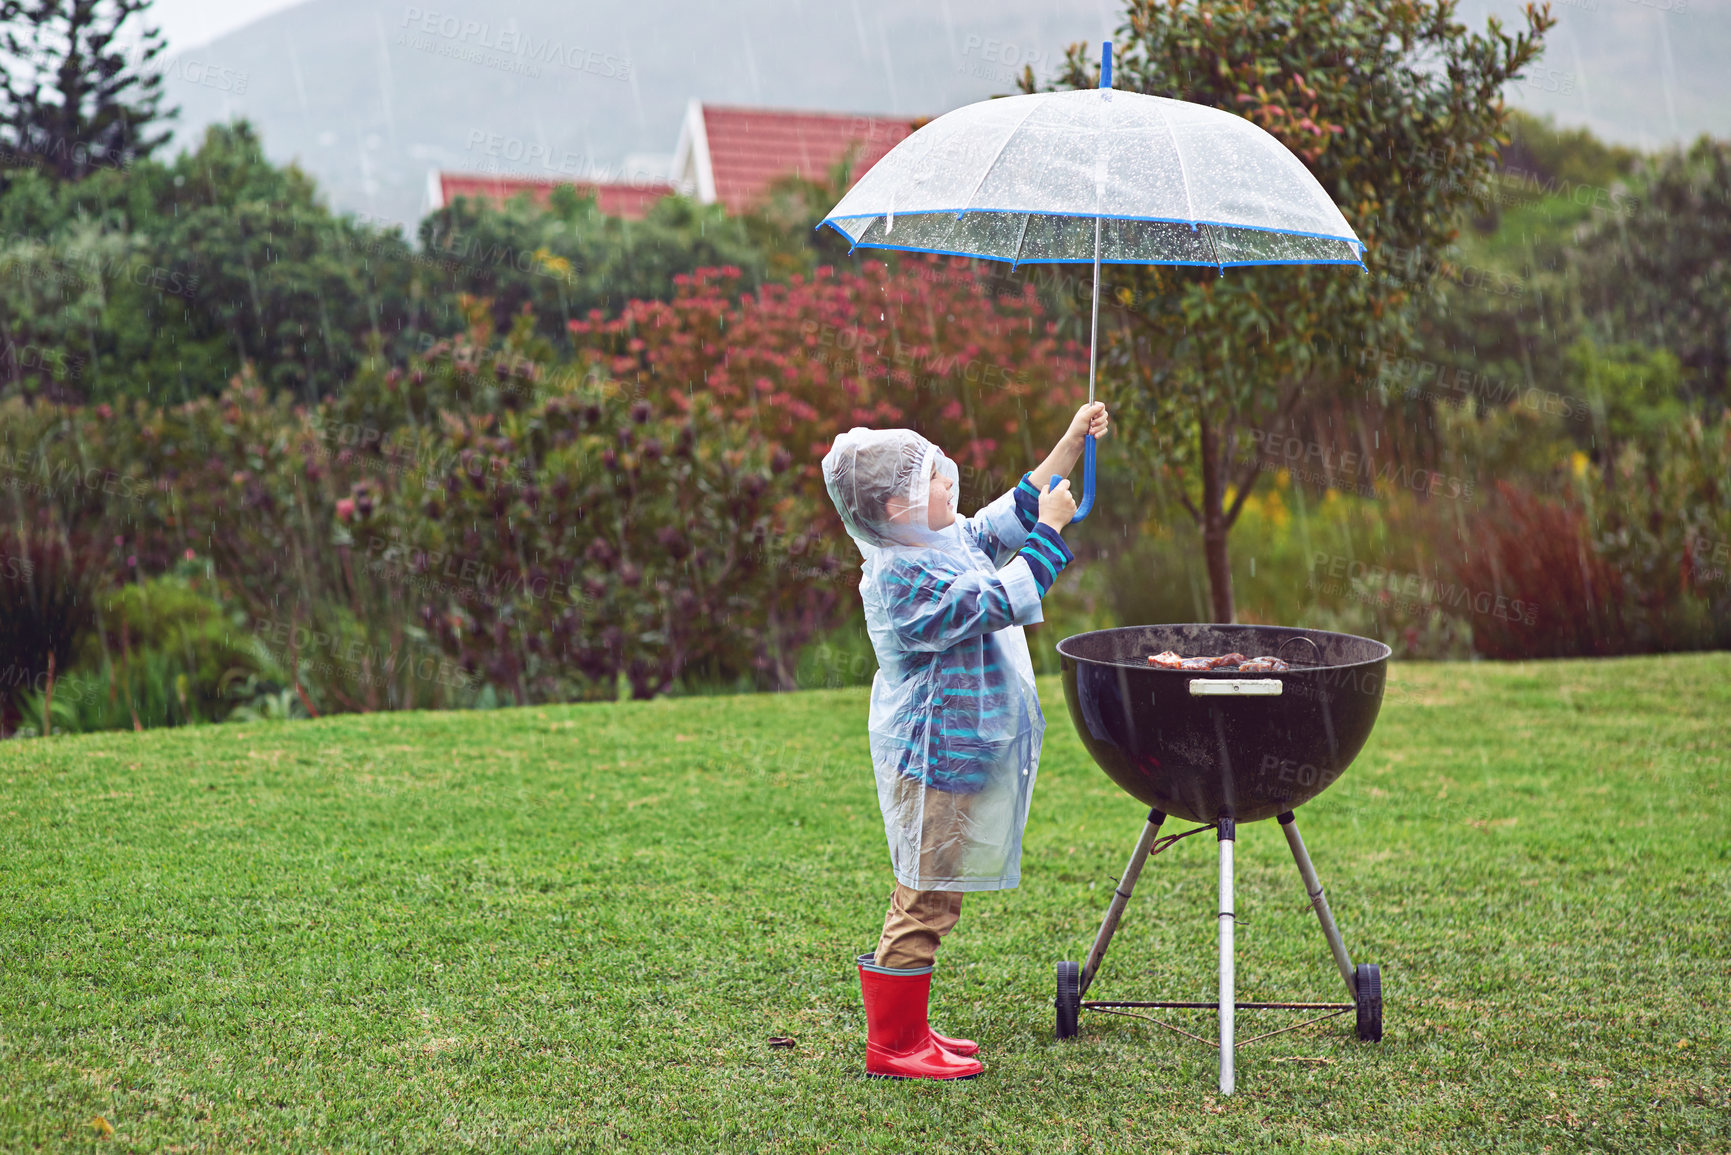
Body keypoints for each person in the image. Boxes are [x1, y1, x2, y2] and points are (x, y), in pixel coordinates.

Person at [820, 402, 1110, 1080]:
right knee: (923, 893)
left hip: (957, 750)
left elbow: (1003, 518)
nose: (950, 483)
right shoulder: (899, 576)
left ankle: (910, 1028)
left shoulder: (935, 538)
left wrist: (1068, 440)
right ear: (896, 507)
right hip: (934, 755)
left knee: (935, 891)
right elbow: (1001, 595)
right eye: (933, 479)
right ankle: (892, 1044)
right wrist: (1052, 531)